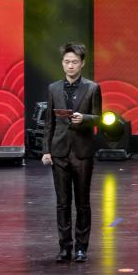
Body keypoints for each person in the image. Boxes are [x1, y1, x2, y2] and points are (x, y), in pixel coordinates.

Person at [42, 42, 103, 262]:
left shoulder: (92, 88)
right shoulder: (54, 88)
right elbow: (49, 123)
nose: (70, 66)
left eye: (75, 62)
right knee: (62, 202)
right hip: (59, 150)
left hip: (82, 151)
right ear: (62, 63)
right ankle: (65, 247)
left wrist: (84, 118)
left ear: (82, 63)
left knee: (83, 202)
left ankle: (81, 248)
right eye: (67, 62)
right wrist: (46, 150)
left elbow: (99, 118)